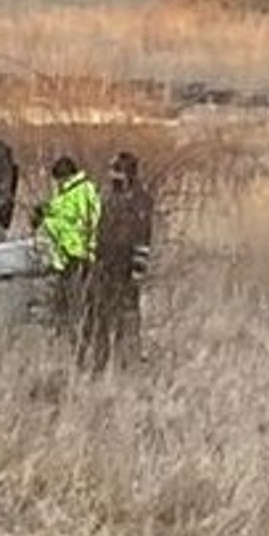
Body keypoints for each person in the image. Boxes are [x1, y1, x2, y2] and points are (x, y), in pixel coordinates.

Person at [86, 150, 157, 371]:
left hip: (126, 269)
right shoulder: (107, 198)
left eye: (117, 171)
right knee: (101, 320)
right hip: (104, 266)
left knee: (127, 320)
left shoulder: (140, 201)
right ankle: (100, 365)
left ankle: (127, 365)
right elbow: (98, 231)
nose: (112, 176)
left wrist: (137, 272)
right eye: (111, 171)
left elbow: (143, 239)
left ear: (129, 174)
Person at [35, 152, 99, 344]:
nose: (58, 184)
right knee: (64, 305)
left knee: (78, 306)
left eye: (59, 180)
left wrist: (47, 222)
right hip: (65, 259)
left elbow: (81, 223)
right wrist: (44, 211)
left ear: (66, 176)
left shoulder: (84, 191)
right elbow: (60, 212)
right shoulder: (65, 193)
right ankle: (67, 340)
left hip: (80, 257)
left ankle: (80, 341)